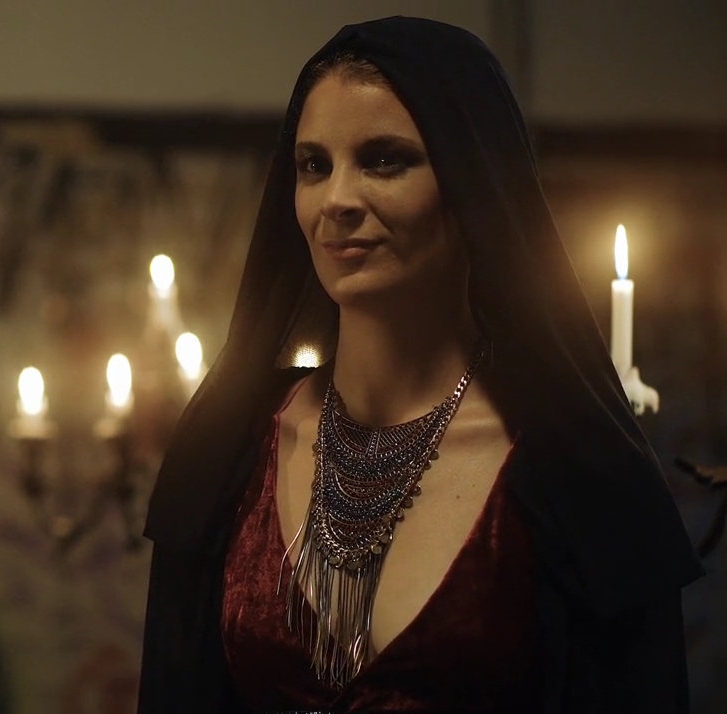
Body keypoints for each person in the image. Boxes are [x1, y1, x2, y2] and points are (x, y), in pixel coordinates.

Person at [138, 16, 703, 714]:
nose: (337, 200)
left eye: (384, 160)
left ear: (471, 186)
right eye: (314, 165)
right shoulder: (230, 448)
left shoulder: (572, 471)